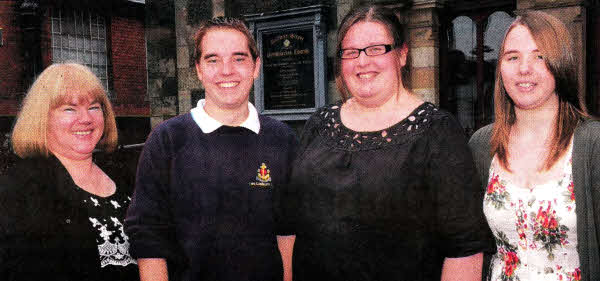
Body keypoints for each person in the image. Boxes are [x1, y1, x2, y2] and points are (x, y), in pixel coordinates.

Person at [275, 4, 495, 281]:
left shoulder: (436, 133)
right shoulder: (319, 124)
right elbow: (289, 221)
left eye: (376, 48)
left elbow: (464, 249)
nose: (362, 61)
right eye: (351, 52)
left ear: (402, 55)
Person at [125, 17, 297, 281]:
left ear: (256, 66)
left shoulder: (282, 139)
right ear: (198, 69)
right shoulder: (167, 140)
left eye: (239, 58)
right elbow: (149, 238)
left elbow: (287, 231)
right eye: (213, 60)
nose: (226, 70)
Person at [469, 11, 600, 281]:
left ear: (560, 63)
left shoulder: (593, 145)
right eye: (512, 57)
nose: (524, 68)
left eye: (539, 56)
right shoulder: (482, 146)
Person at [0, 63, 139, 281]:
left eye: (94, 107)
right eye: (69, 109)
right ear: (42, 118)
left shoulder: (127, 177)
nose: (86, 118)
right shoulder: (19, 188)